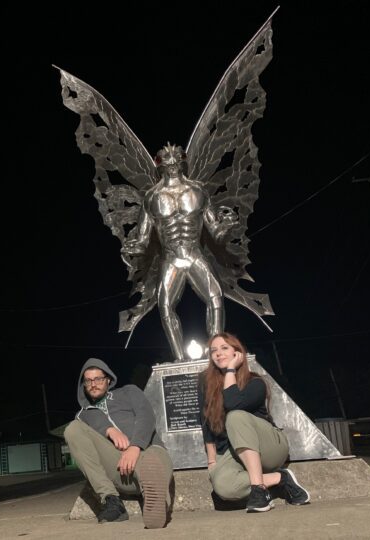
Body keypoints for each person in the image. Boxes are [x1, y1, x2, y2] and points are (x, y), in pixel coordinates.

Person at [122, 144, 240, 361]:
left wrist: (227, 227)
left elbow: (215, 233)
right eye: (169, 163)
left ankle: (215, 354)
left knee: (216, 298)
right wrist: (132, 249)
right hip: (170, 258)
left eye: (177, 161)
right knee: (164, 305)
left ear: (182, 163)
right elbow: (143, 239)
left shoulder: (198, 190)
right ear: (161, 165)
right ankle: (179, 359)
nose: (173, 165)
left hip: (194, 254)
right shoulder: (152, 197)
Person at [198, 332, 311, 512]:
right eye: (213, 351)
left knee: (235, 416)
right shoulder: (206, 384)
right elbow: (204, 421)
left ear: (238, 353)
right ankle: (280, 479)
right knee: (224, 487)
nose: (218, 353)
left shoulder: (256, 382)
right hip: (236, 451)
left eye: (224, 348)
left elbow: (233, 403)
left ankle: (259, 491)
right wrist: (212, 461)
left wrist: (230, 370)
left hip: (270, 447)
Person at [64, 358, 173, 528]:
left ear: (108, 380)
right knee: (72, 429)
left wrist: (135, 447)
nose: (94, 384)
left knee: (152, 463)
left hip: (149, 451)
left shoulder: (129, 392)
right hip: (120, 469)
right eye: (88, 380)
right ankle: (111, 500)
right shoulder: (83, 415)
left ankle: (157, 502)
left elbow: (147, 416)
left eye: (98, 379)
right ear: (83, 385)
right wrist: (109, 429)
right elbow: (88, 418)